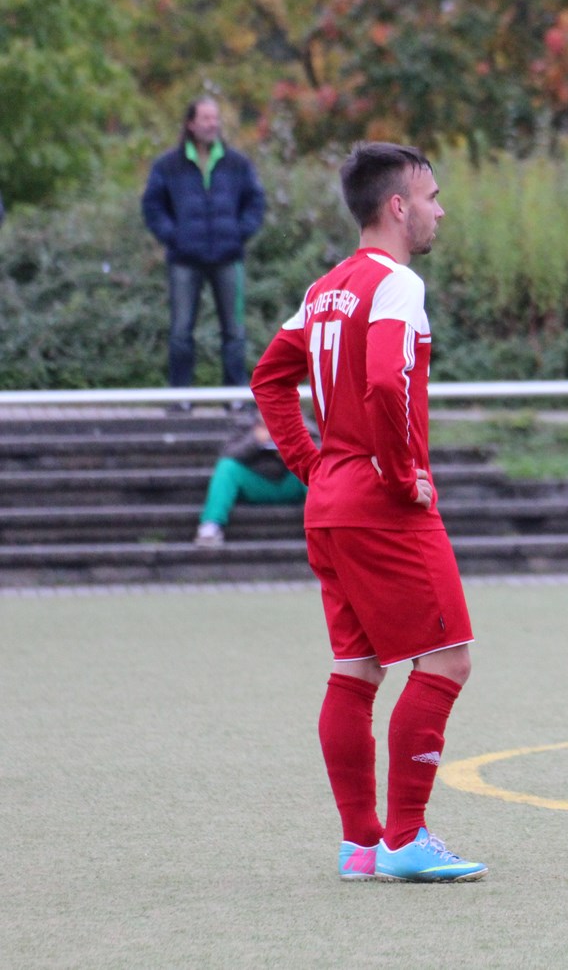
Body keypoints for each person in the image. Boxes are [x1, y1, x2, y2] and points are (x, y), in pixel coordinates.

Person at [251, 142, 486, 883]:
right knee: (447, 657)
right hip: (384, 503)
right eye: (431, 195)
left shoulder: (324, 290)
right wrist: (401, 468)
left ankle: (361, 842)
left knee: (355, 668)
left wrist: (312, 466)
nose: (438, 208)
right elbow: (387, 381)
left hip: (331, 504)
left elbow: (268, 377)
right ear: (397, 206)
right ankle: (406, 835)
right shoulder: (397, 283)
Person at [141, 98, 267, 397]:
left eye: (215, 118)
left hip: (228, 258)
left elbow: (256, 201)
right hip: (184, 260)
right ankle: (180, 398)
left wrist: (240, 233)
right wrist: (173, 236)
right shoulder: (168, 165)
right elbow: (152, 206)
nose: (213, 124)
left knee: (234, 333)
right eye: (206, 118)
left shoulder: (237, 163)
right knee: (181, 332)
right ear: (191, 124)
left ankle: (234, 398)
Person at [193, 420, 307, 547]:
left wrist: (292, 447)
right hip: (255, 483)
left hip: (291, 481)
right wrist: (255, 440)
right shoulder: (245, 424)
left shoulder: (300, 422)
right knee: (226, 467)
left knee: (314, 465)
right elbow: (228, 454)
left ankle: (326, 525)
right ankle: (211, 526)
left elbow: (319, 451)